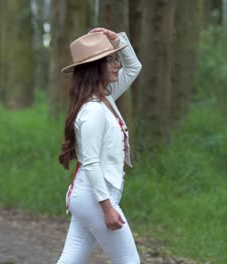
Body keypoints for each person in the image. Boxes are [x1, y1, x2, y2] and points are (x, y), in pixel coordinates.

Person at [56, 27, 142, 264]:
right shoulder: (93, 109)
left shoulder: (106, 97)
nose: (116, 65)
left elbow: (134, 67)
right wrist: (106, 207)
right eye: (109, 60)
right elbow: (91, 162)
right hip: (95, 196)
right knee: (129, 260)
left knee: (70, 260)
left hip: (90, 195)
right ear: (94, 68)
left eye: (115, 58)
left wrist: (117, 39)